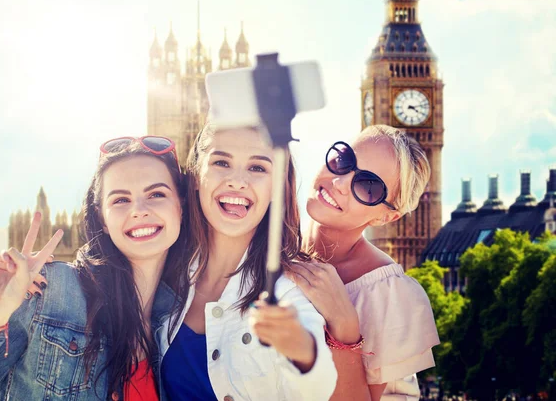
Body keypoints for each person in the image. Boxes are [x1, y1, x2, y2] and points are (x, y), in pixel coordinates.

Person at [0, 136, 186, 400]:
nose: (139, 210)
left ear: (181, 205)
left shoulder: (186, 317)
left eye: (156, 194)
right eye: (121, 200)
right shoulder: (50, 292)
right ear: (101, 218)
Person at [158, 122, 338, 400]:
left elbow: (318, 386)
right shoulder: (165, 272)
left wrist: (303, 350)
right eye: (221, 162)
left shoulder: (289, 288)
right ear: (195, 175)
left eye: (257, 168)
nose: (237, 181)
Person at [291, 124, 440, 400]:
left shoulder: (389, 296)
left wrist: (344, 328)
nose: (339, 182)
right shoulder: (266, 245)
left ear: (386, 217)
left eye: (367, 186)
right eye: (343, 160)